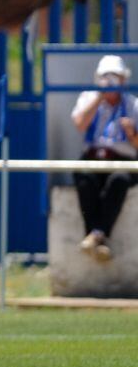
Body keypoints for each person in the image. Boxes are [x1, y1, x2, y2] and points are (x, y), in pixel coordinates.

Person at [70, 54, 138, 261]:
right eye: (106, 77)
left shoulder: (133, 105)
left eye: (115, 77)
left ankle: (94, 235)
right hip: (93, 157)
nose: (110, 82)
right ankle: (99, 237)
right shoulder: (88, 98)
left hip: (122, 160)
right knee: (84, 178)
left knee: (119, 180)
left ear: (123, 80)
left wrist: (131, 134)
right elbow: (80, 124)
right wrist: (100, 97)